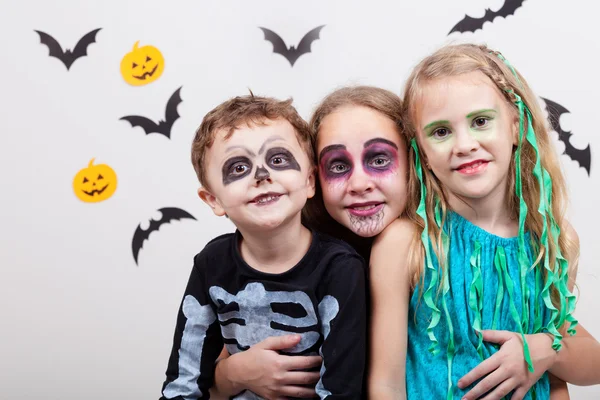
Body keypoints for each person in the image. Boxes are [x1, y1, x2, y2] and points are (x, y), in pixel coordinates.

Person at [210, 85, 600, 399]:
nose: (360, 183)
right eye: (339, 166)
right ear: (313, 177)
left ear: (418, 160)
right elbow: (204, 375)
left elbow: (567, 351)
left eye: (380, 159)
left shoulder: (444, 253)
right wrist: (231, 375)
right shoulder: (292, 262)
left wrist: (546, 349)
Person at [369, 42, 583, 399]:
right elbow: (386, 385)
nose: (464, 144)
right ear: (421, 150)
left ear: (516, 127)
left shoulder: (554, 241)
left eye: (481, 121)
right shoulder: (406, 243)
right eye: (440, 132)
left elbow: (555, 379)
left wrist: (546, 348)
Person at [158, 93, 368, 400]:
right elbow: (182, 382)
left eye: (278, 160)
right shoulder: (211, 263)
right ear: (213, 199)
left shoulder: (341, 267)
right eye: (239, 168)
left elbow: (343, 391)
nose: (262, 175)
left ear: (310, 181)